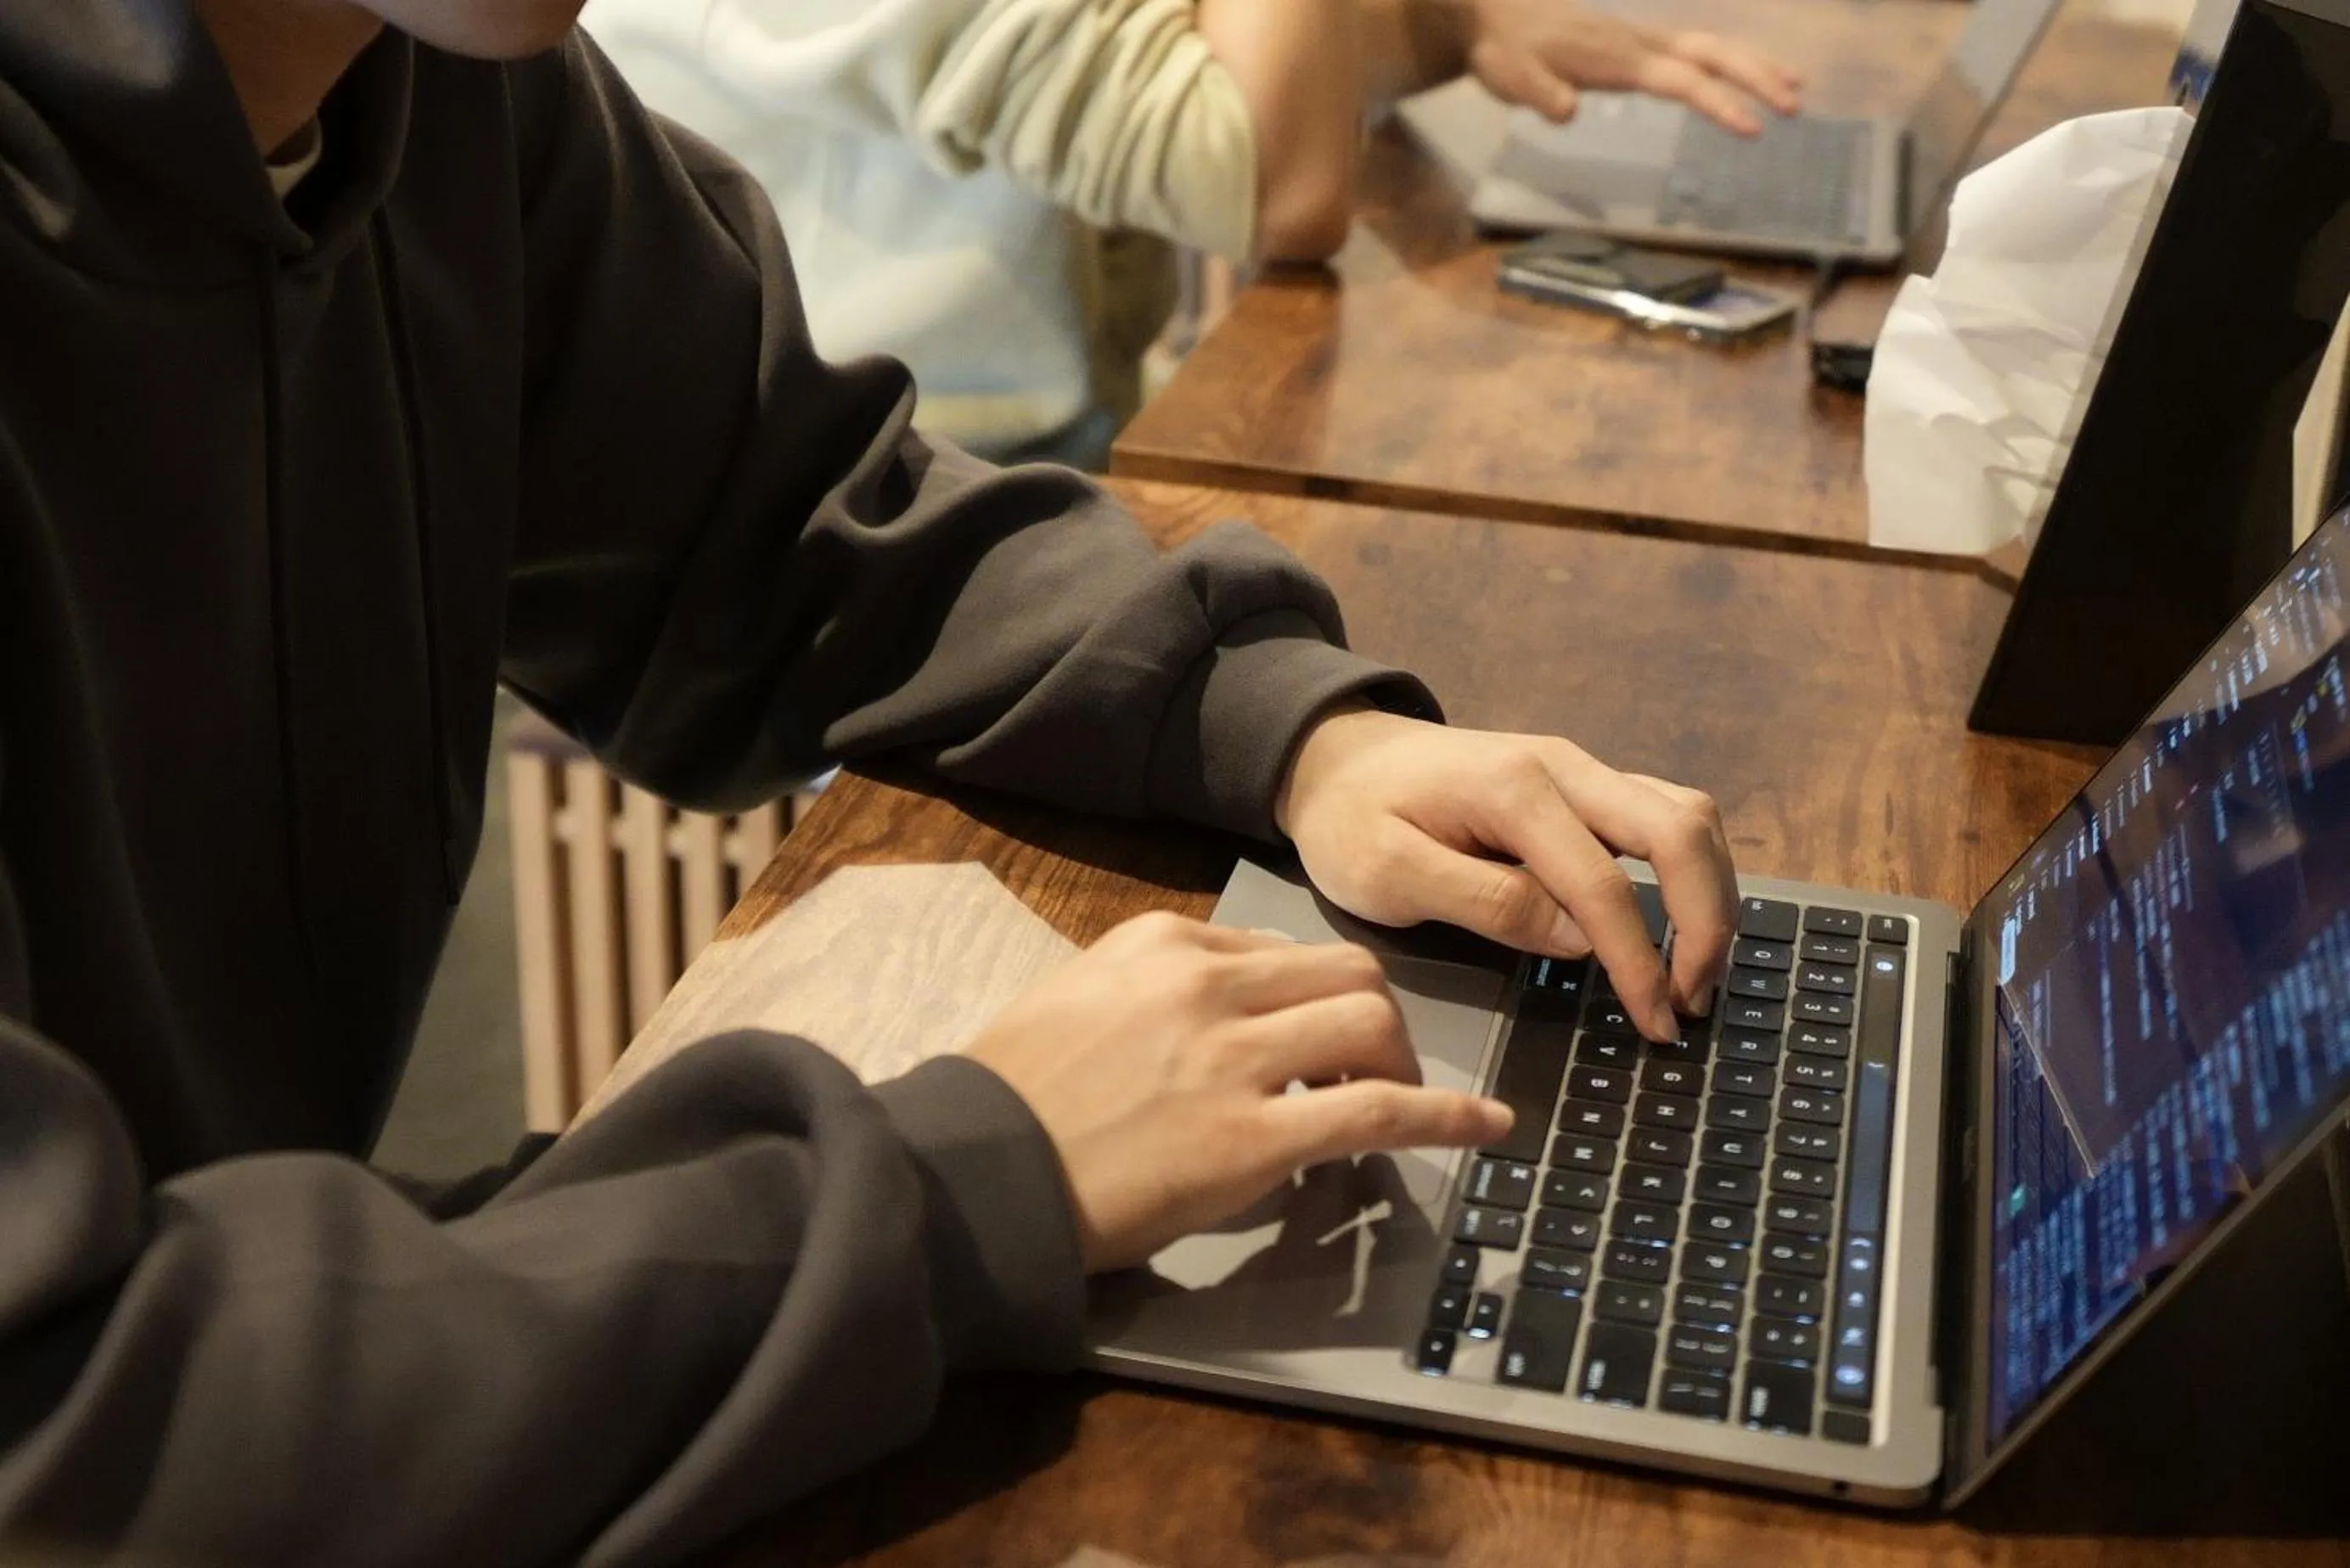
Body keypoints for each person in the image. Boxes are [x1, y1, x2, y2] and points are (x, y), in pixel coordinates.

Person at [0, 2, 1738, 1563]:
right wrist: (983, 1169)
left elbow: (801, 524)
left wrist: (1293, 726)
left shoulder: (438, 90)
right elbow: (67, 1426)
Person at [578, 0, 1802, 467]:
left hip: (1041, 450)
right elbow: (1277, 182)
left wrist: (1452, 23)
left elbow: (1231, 69)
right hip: (867, 523)